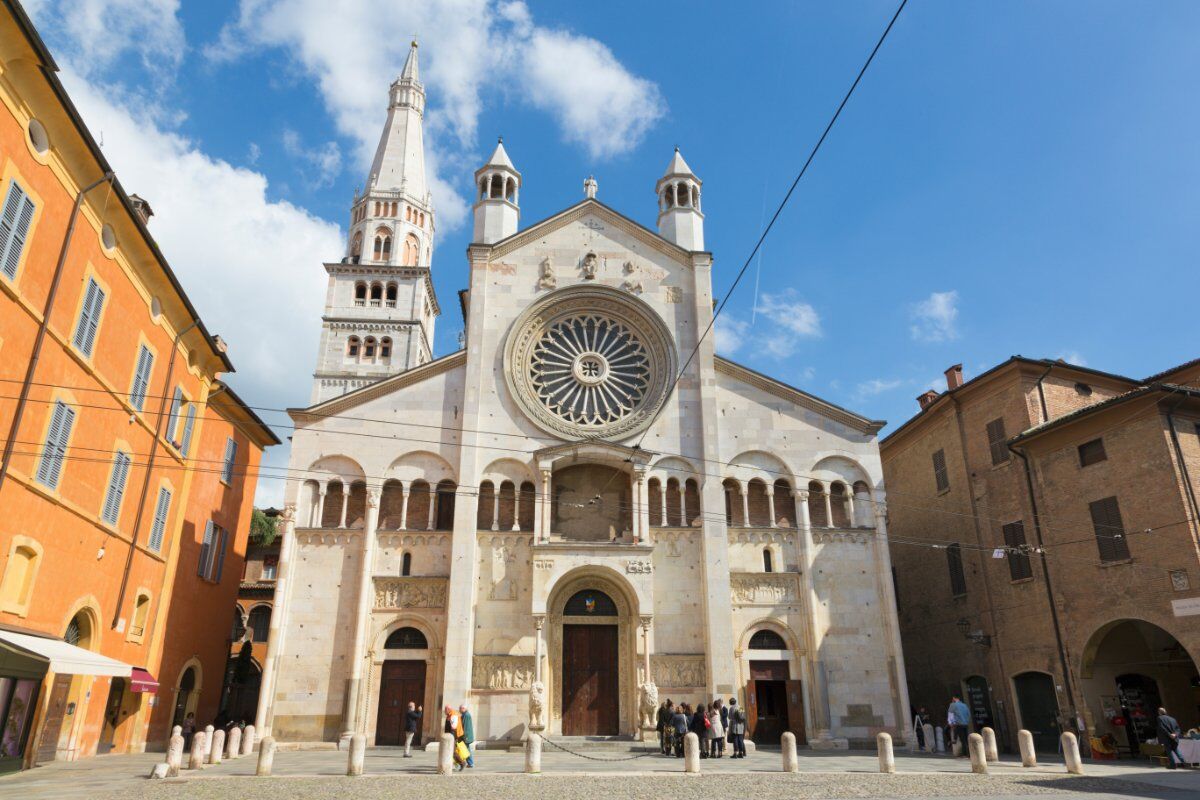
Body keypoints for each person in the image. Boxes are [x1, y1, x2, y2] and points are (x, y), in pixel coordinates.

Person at [443, 706, 464, 771]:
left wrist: (451, 737)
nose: (444, 711)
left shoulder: (453, 715)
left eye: (445, 710)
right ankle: (453, 764)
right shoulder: (449, 715)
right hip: (449, 736)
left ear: (448, 710)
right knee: (450, 751)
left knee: (452, 752)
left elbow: (454, 727)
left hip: (453, 736)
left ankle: (462, 763)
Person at [459, 704, 475, 768]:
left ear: (464, 708)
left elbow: (465, 727)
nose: (459, 710)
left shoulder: (466, 715)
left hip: (466, 737)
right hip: (466, 736)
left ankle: (469, 763)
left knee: (466, 750)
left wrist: (464, 736)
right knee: (466, 750)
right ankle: (469, 763)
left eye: (460, 708)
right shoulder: (464, 715)